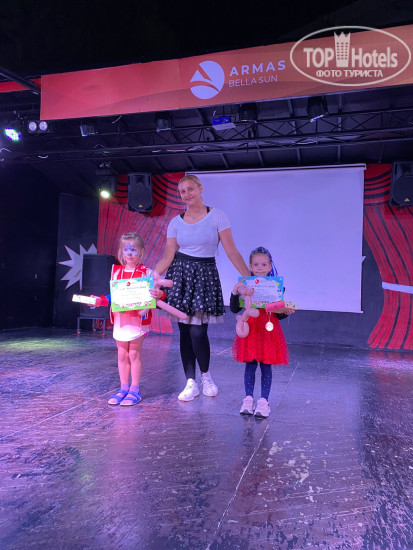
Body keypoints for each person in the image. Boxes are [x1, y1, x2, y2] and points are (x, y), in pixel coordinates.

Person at [155, 174, 250, 402]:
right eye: (182, 191)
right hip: (180, 276)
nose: (186, 194)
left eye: (190, 189)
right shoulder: (175, 222)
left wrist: (250, 280)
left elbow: (232, 251)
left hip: (204, 276)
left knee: (198, 331)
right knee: (185, 332)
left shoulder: (217, 216)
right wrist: (149, 277)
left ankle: (206, 377)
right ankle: (190, 382)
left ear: (200, 188)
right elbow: (168, 256)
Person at [96, 232, 165, 406]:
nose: (129, 253)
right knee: (122, 354)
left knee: (134, 353)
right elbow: (114, 295)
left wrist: (159, 294)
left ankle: (135, 390)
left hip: (138, 321)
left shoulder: (147, 272)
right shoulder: (117, 272)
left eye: (133, 250)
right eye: (126, 250)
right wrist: (101, 300)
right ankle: (123, 388)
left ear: (141, 251)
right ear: (121, 251)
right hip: (121, 320)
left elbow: (160, 294)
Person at [230, 246, 294, 418]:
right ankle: (248, 399)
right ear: (250, 266)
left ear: (270, 266)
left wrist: (285, 311)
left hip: (268, 330)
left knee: (266, 364)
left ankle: (264, 401)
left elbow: (278, 314)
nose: (260, 268)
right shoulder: (245, 286)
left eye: (264, 264)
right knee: (250, 364)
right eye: (256, 264)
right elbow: (234, 309)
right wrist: (234, 293)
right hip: (250, 329)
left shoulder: (276, 287)